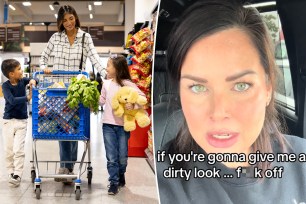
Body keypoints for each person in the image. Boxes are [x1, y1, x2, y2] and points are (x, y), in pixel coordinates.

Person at [156, 0, 306, 203]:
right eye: (198, 87)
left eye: (241, 86)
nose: (219, 112)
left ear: (268, 88)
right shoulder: (159, 183)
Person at [39, 5, 106, 181]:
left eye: (71, 18)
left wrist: (108, 76)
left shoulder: (85, 38)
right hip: (59, 90)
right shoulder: (56, 38)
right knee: (62, 129)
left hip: (77, 90)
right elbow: (43, 58)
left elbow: (94, 58)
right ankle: (64, 167)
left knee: (74, 129)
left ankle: (70, 167)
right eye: (65, 19)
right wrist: (44, 68)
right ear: (60, 21)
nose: (68, 22)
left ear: (75, 18)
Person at [99, 54, 146, 195]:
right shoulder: (106, 83)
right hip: (107, 124)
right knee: (111, 157)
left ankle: (121, 173)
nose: (106, 68)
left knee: (122, 157)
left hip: (122, 126)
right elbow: (101, 101)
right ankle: (113, 182)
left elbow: (143, 98)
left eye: (108, 65)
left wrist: (133, 104)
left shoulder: (129, 84)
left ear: (117, 68)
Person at [1, 59, 37, 187]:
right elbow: (11, 100)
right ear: (11, 74)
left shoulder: (23, 81)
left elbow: (33, 79)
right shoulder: (5, 86)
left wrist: (33, 80)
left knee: (18, 149)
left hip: (22, 121)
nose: (22, 71)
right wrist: (27, 98)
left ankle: (17, 174)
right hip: (8, 121)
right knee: (9, 149)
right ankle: (10, 172)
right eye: (19, 69)